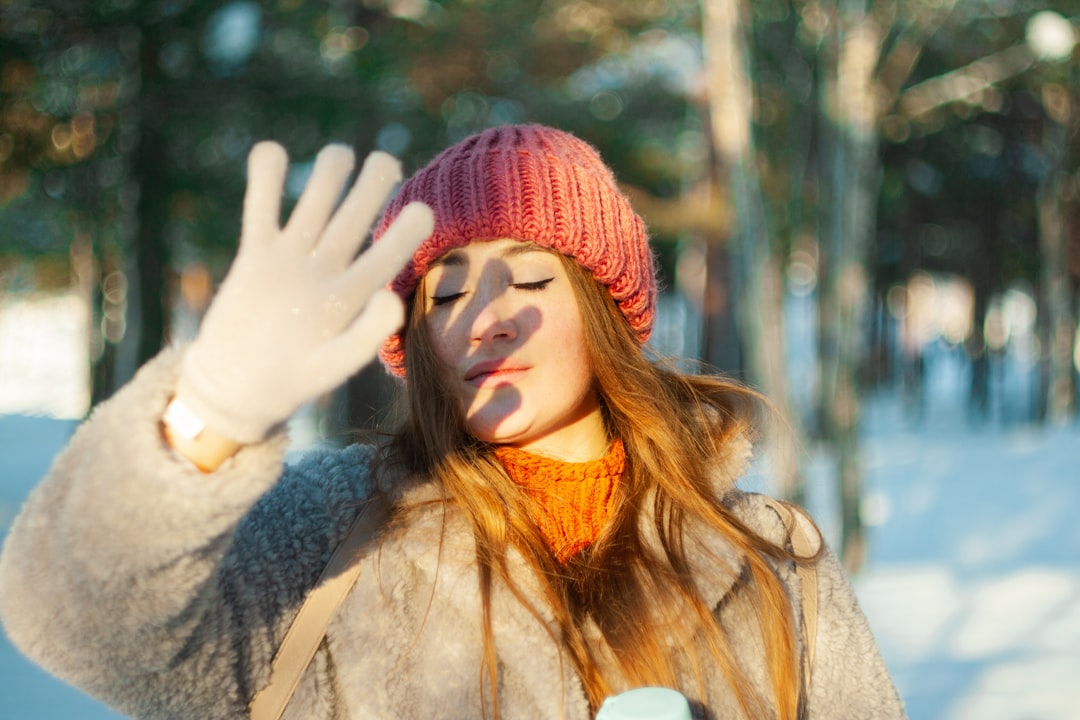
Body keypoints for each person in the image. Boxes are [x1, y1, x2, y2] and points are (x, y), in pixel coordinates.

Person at [0, 124, 905, 720]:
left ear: (606, 311)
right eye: (446, 292)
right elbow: (69, 616)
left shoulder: (772, 559)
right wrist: (207, 412)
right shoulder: (331, 533)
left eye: (533, 276)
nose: (485, 317)